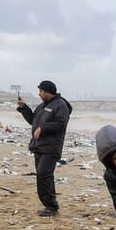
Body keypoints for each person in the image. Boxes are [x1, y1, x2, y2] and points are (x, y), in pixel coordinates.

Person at [16, 80, 72, 216]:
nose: (39, 94)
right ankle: (50, 205)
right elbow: (33, 121)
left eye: (41, 91)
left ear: (48, 92)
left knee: (43, 174)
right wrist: (24, 108)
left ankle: (52, 207)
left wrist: (43, 128)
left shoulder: (60, 105)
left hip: (51, 147)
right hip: (38, 146)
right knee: (43, 176)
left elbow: (61, 124)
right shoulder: (42, 106)